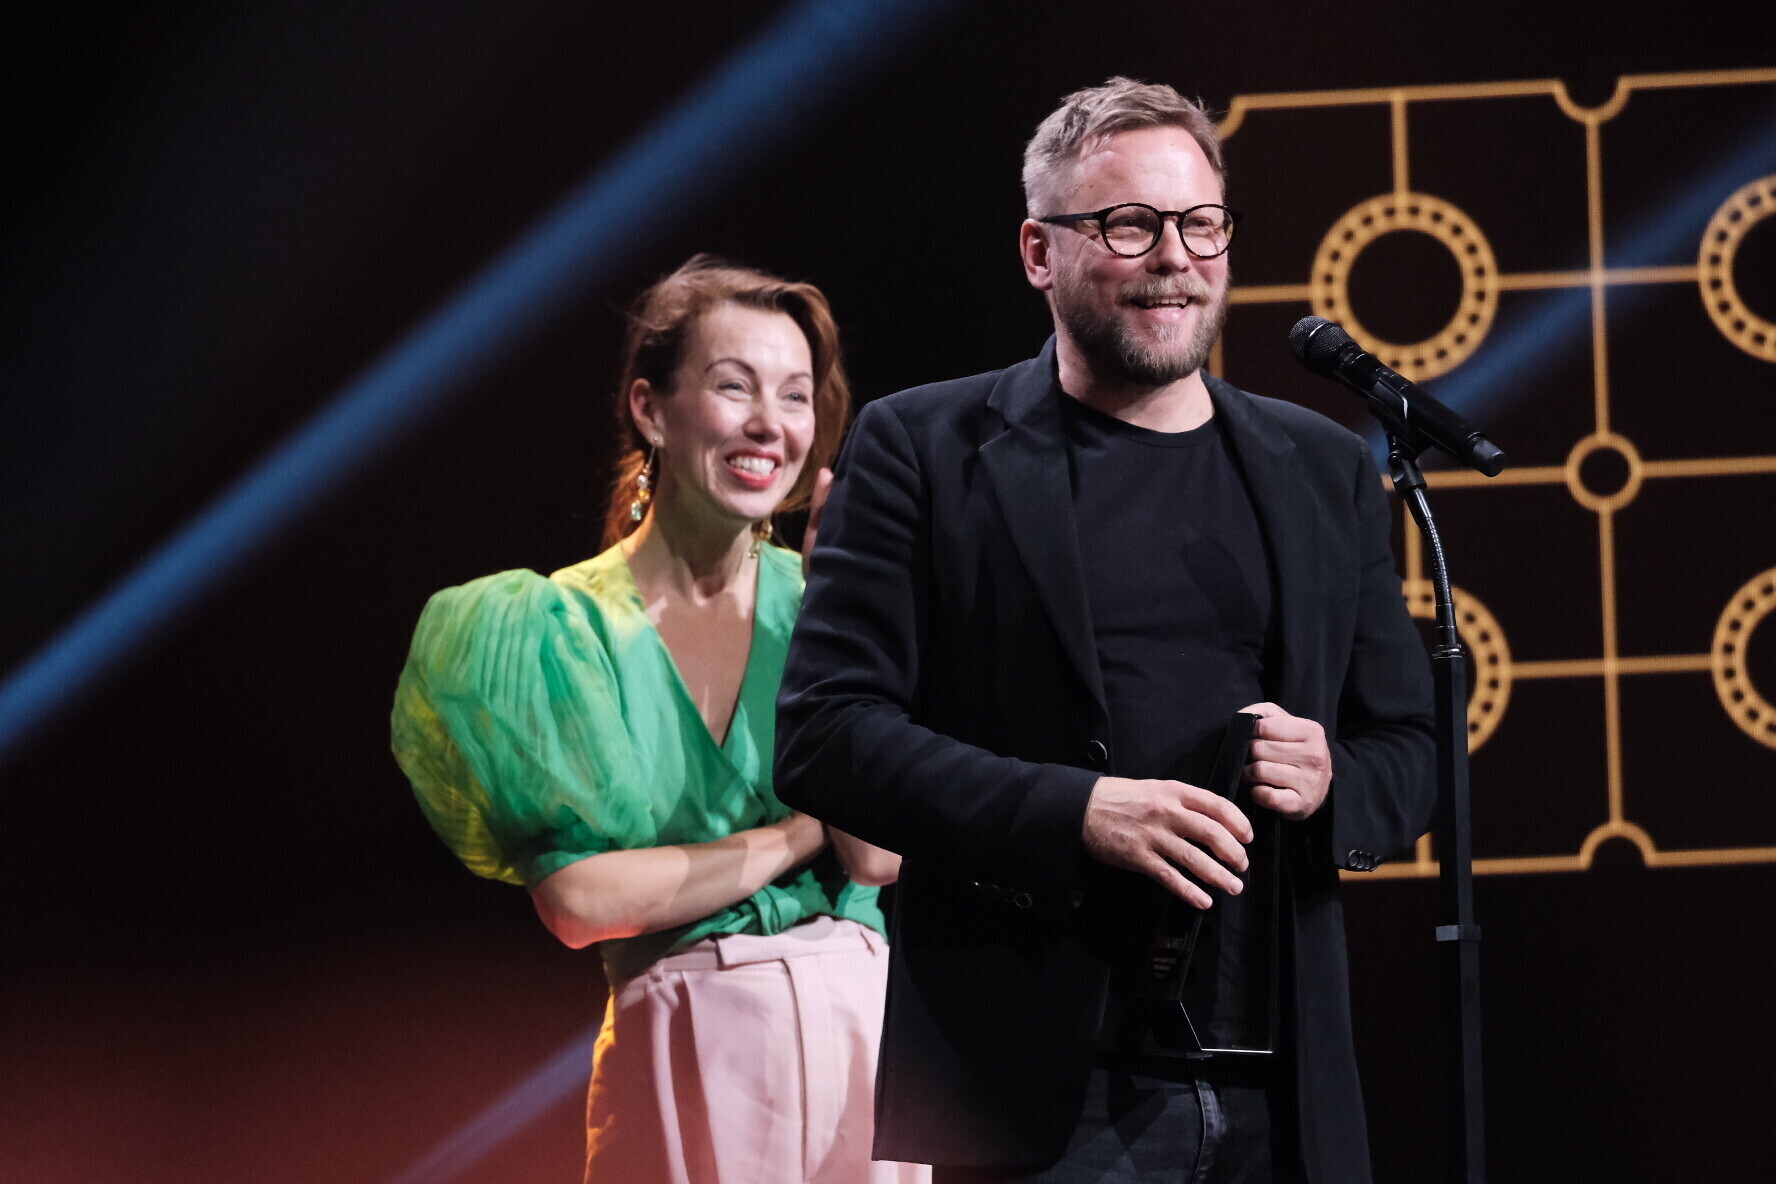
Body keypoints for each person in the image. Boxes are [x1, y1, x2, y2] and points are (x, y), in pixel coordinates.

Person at [775, 79, 1436, 1183]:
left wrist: (1333, 780)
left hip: (1281, 1088)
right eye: (1130, 225)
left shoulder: (1321, 466)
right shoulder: (923, 448)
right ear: (1040, 252)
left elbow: (1410, 747)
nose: (1175, 257)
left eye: (1201, 224)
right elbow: (827, 736)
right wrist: (1077, 812)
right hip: (1046, 1095)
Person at [392, 255, 928, 1184]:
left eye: (795, 396)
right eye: (735, 386)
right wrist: (801, 831)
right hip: (684, 1043)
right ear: (651, 409)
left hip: (857, 1032)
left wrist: (840, 611)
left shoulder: (821, 603)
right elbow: (581, 903)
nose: (770, 423)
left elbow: (879, 857)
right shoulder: (559, 630)